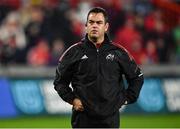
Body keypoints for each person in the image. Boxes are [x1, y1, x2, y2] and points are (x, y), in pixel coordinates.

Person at [53, 7, 144, 128]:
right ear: (86, 26)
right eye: (91, 22)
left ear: (106, 27)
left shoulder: (118, 52)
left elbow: (137, 77)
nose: (94, 25)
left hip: (110, 121)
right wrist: (73, 100)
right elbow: (59, 82)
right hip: (82, 119)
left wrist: (126, 98)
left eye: (99, 22)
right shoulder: (73, 52)